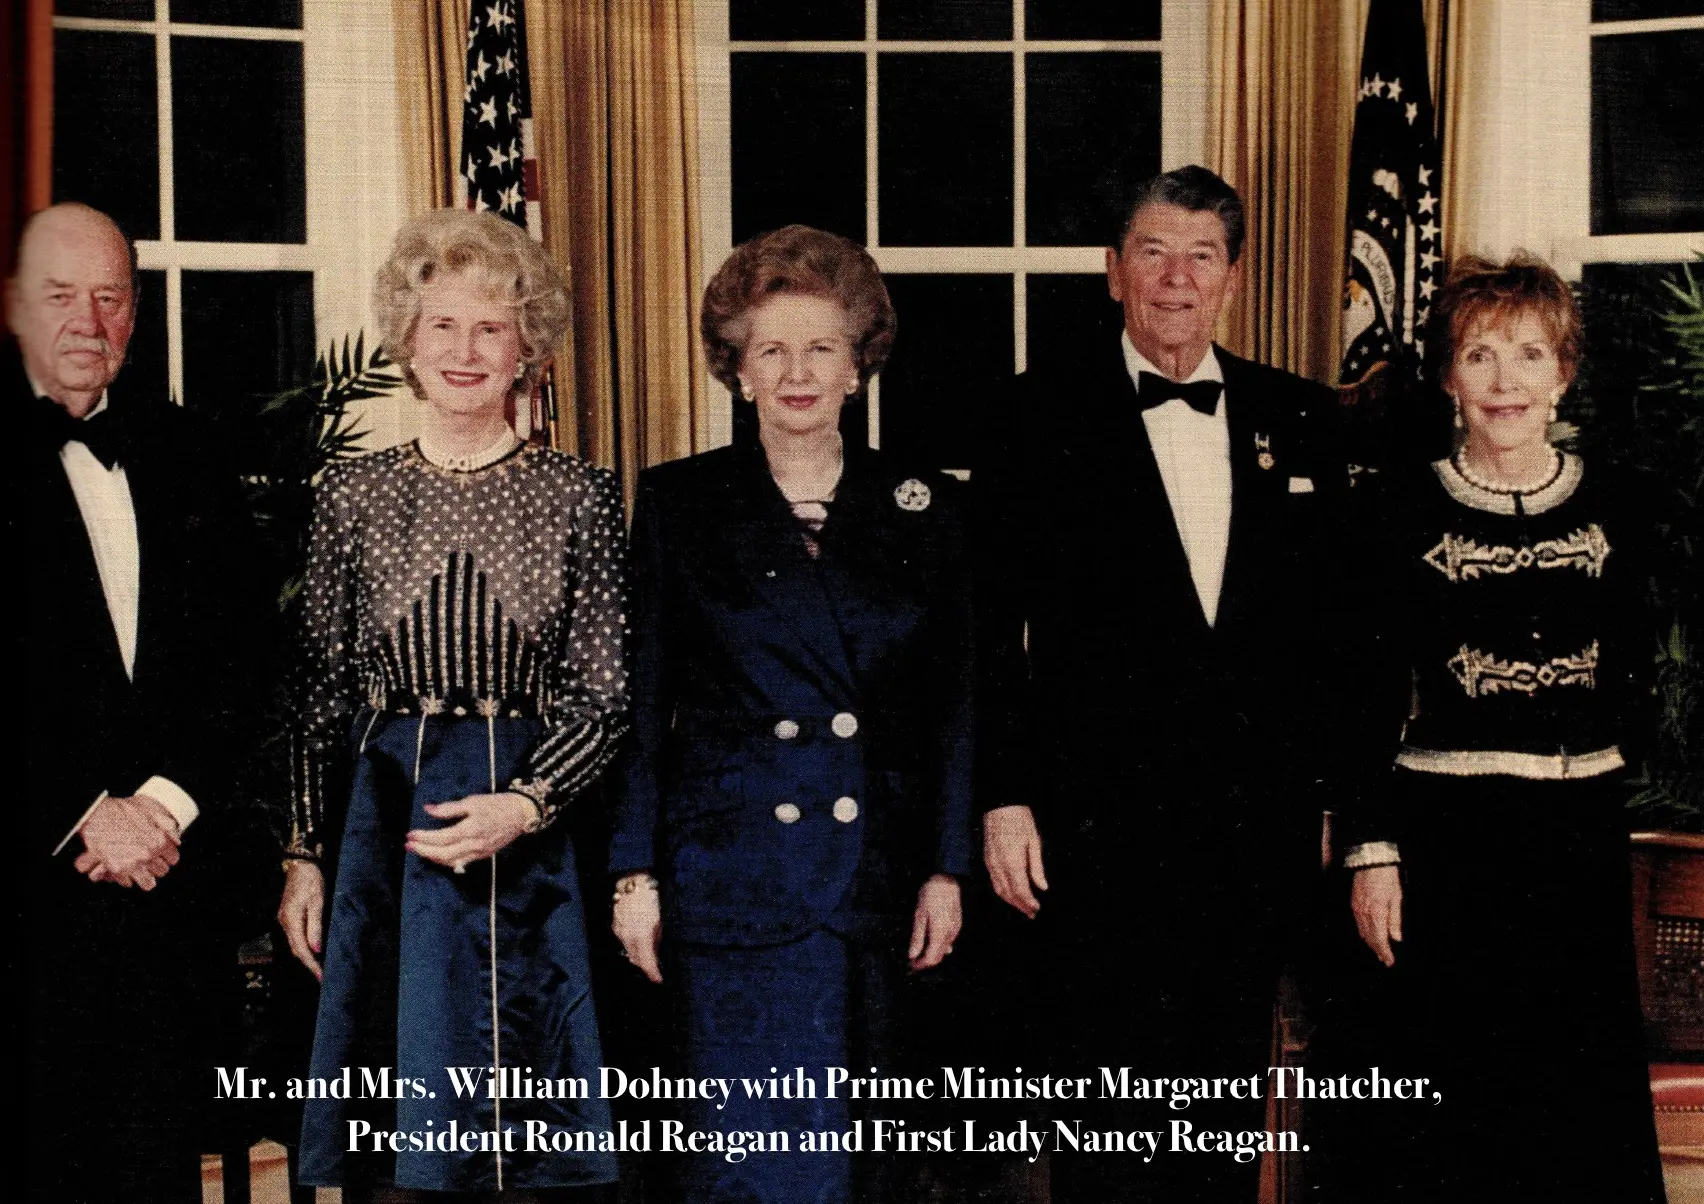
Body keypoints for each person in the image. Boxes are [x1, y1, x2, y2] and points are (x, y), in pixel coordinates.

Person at [974, 165, 1360, 1201]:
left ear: (1233, 276)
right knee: (1106, 1117)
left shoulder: (1303, 418)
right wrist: (1004, 794)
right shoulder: (1031, 413)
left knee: (1223, 1111)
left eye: (1201, 256)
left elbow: (1335, 638)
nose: (1176, 279)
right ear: (1113, 272)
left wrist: (1331, 798)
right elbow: (983, 630)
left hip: (1253, 829)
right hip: (1092, 830)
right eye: (1153, 252)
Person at [609, 223, 973, 1204]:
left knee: (872, 1166)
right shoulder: (681, 503)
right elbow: (644, 703)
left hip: (877, 880)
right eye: (771, 347)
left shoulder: (925, 506)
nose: (798, 371)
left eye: (821, 347)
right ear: (737, 369)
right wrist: (632, 869)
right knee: (747, 1159)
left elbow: (953, 706)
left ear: (860, 365)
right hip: (731, 875)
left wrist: (946, 866)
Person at [276, 209, 626, 1199]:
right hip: (391, 834)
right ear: (406, 341)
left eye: (492, 327)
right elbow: (320, 695)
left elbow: (603, 699)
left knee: (536, 1140)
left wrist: (526, 803)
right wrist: (303, 855)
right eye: (443, 325)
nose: (465, 350)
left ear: (529, 348)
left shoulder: (581, 496)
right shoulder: (350, 494)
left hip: (537, 841)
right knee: (402, 1149)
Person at [1322, 253, 1665, 1201]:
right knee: (1451, 1107)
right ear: (1447, 378)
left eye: (1528, 354)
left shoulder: (1624, 507)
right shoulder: (1388, 513)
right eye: (1480, 355)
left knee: (1573, 1101)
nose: (1505, 381)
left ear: (1564, 371)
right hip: (1447, 844)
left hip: (1578, 839)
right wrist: (1372, 850)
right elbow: (1354, 697)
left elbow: (1639, 673)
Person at [10, 202, 274, 1202]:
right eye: (61, 295)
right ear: (14, 307)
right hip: (31, 903)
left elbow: (243, 656)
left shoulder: (185, 450)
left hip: (165, 909)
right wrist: (85, 809)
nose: (89, 319)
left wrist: (163, 802)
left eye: (111, 296)